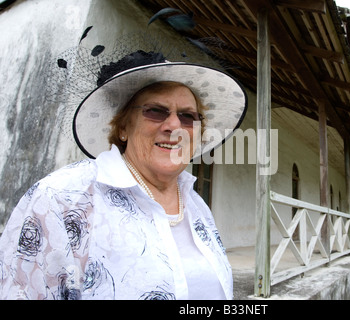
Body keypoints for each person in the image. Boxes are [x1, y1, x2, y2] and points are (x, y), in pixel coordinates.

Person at [0, 41, 247, 299]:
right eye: (156, 111)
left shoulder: (197, 206)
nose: (174, 125)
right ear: (123, 128)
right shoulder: (61, 199)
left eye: (188, 116)